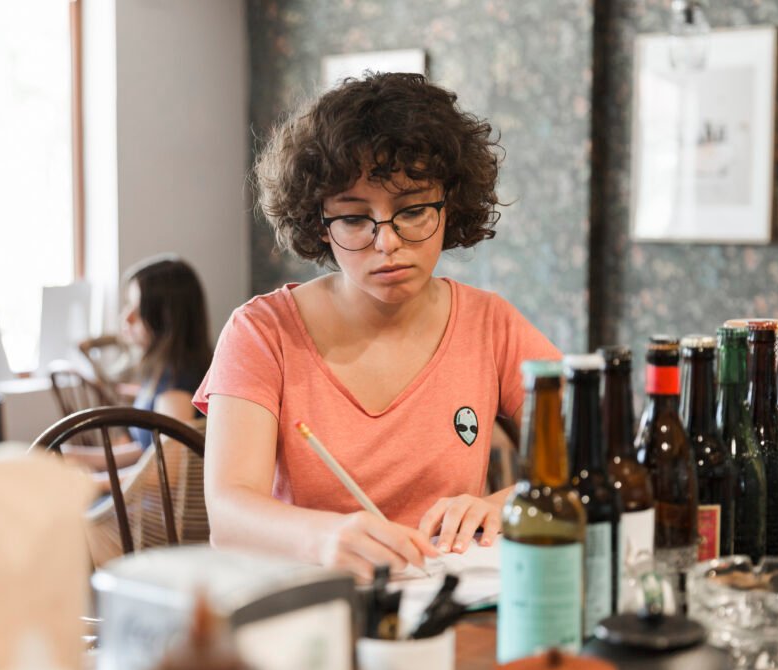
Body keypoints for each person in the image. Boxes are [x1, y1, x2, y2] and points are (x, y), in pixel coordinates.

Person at [193, 73, 562, 581]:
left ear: (449, 204)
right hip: (309, 603)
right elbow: (230, 516)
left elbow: (592, 460)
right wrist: (327, 539)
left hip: (447, 599)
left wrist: (512, 501)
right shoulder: (262, 333)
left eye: (411, 211)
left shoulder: (490, 324)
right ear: (319, 222)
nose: (385, 242)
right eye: (353, 218)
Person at [64, 254, 212, 472]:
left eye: (138, 308)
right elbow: (147, 450)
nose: (127, 317)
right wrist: (81, 457)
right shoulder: (166, 374)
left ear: (166, 318)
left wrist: (93, 483)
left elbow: (165, 477)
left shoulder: (176, 394)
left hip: (148, 505)